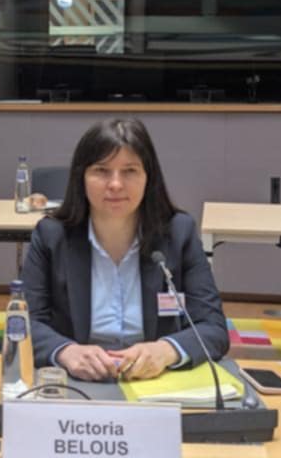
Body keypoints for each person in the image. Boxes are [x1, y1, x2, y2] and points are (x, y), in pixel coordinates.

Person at [22, 116, 228, 381]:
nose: (116, 184)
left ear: (148, 177)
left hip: (156, 381)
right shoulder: (52, 236)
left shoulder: (179, 233)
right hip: (76, 381)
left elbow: (213, 328)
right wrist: (65, 352)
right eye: (101, 171)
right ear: (81, 177)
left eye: (130, 171)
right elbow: (24, 323)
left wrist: (166, 351)